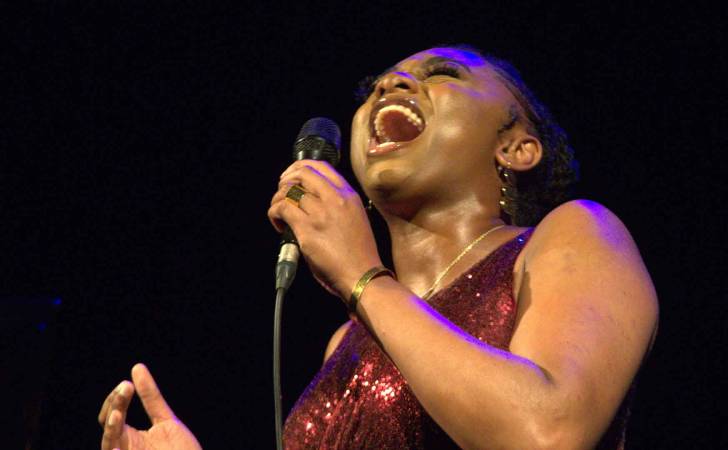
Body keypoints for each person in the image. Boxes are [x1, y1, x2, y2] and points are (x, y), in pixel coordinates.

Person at [99, 46, 658, 450]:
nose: (388, 89)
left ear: (516, 147)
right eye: (375, 87)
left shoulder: (575, 233)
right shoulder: (347, 340)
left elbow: (547, 434)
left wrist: (363, 276)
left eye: (442, 74)